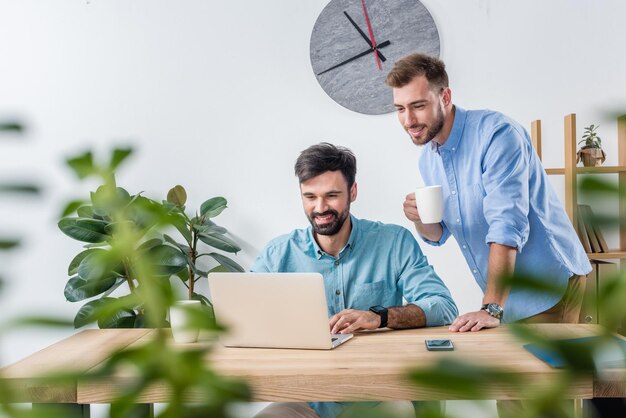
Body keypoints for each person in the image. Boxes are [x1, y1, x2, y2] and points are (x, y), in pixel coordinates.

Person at [385, 53, 592, 334]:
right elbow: (440, 233)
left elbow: (507, 226)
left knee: (547, 377)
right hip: (507, 299)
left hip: (549, 286)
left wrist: (491, 307)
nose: (408, 120)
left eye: (418, 106)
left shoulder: (497, 134)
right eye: (400, 109)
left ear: (445, 97)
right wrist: (420, 219)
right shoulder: (428, 158)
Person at [251, 142, 458, 418]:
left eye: (332, 195)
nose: (320, 207)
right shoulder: (278, 254)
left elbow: (443, 306)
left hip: (379, 396)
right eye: (310, 196)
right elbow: (245, 318)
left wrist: (380, 317)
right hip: (307, 398)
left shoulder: (393, 242)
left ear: (353, 192)